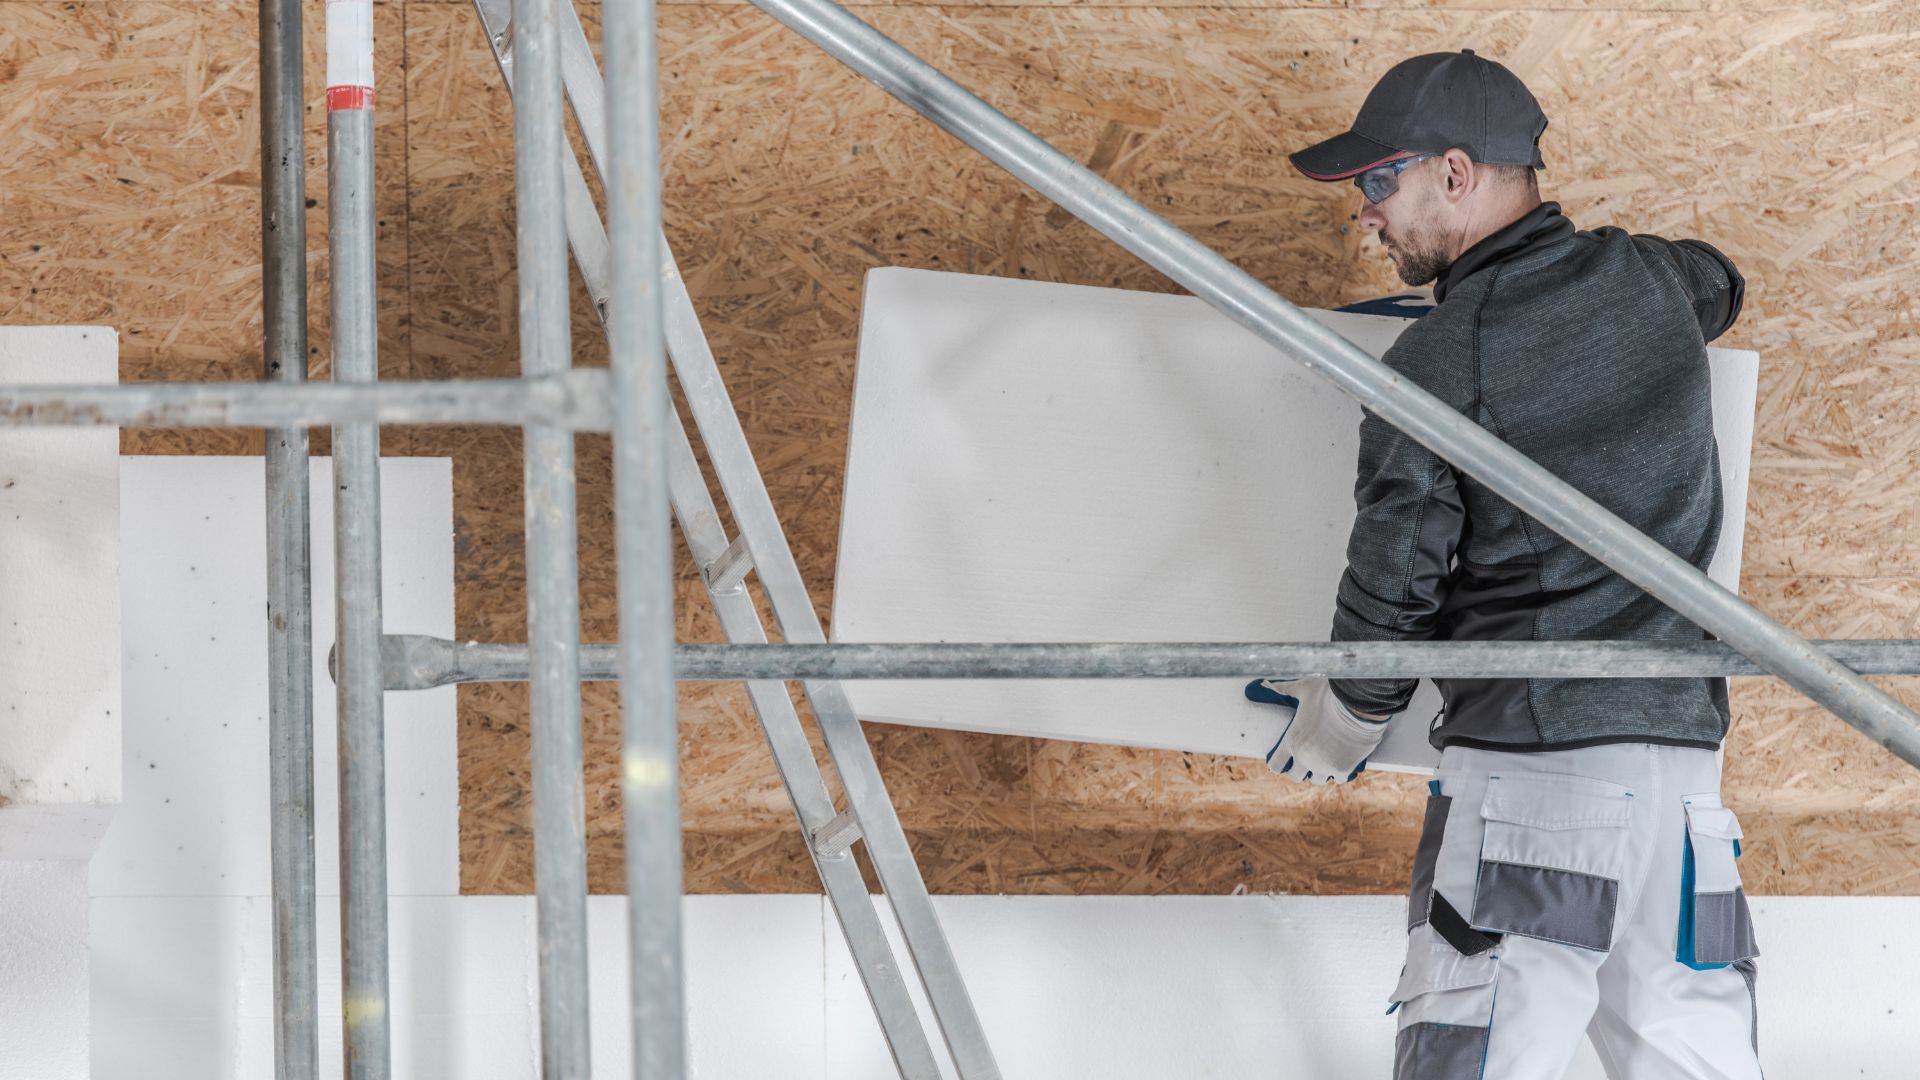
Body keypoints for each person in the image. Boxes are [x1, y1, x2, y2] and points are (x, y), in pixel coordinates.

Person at [1244, 50, 1760, 1078]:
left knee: (1479, 1054)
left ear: (1457, 172)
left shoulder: (1440, 362)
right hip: (1686, 783)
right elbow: (1722, 279)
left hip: (1538, 785)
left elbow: (1398, 575)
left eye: (1376, 183)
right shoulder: (1654, 281)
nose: (1364, 215)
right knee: (1690, 1057)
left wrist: (1347, 715)